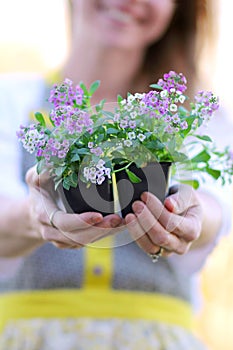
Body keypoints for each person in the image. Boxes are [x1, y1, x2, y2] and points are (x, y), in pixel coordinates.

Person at [0, 0, 232, 349]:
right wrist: (37, 218)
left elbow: (215, 207)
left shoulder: (191, 116)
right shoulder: (12, 100)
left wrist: (189, 216)